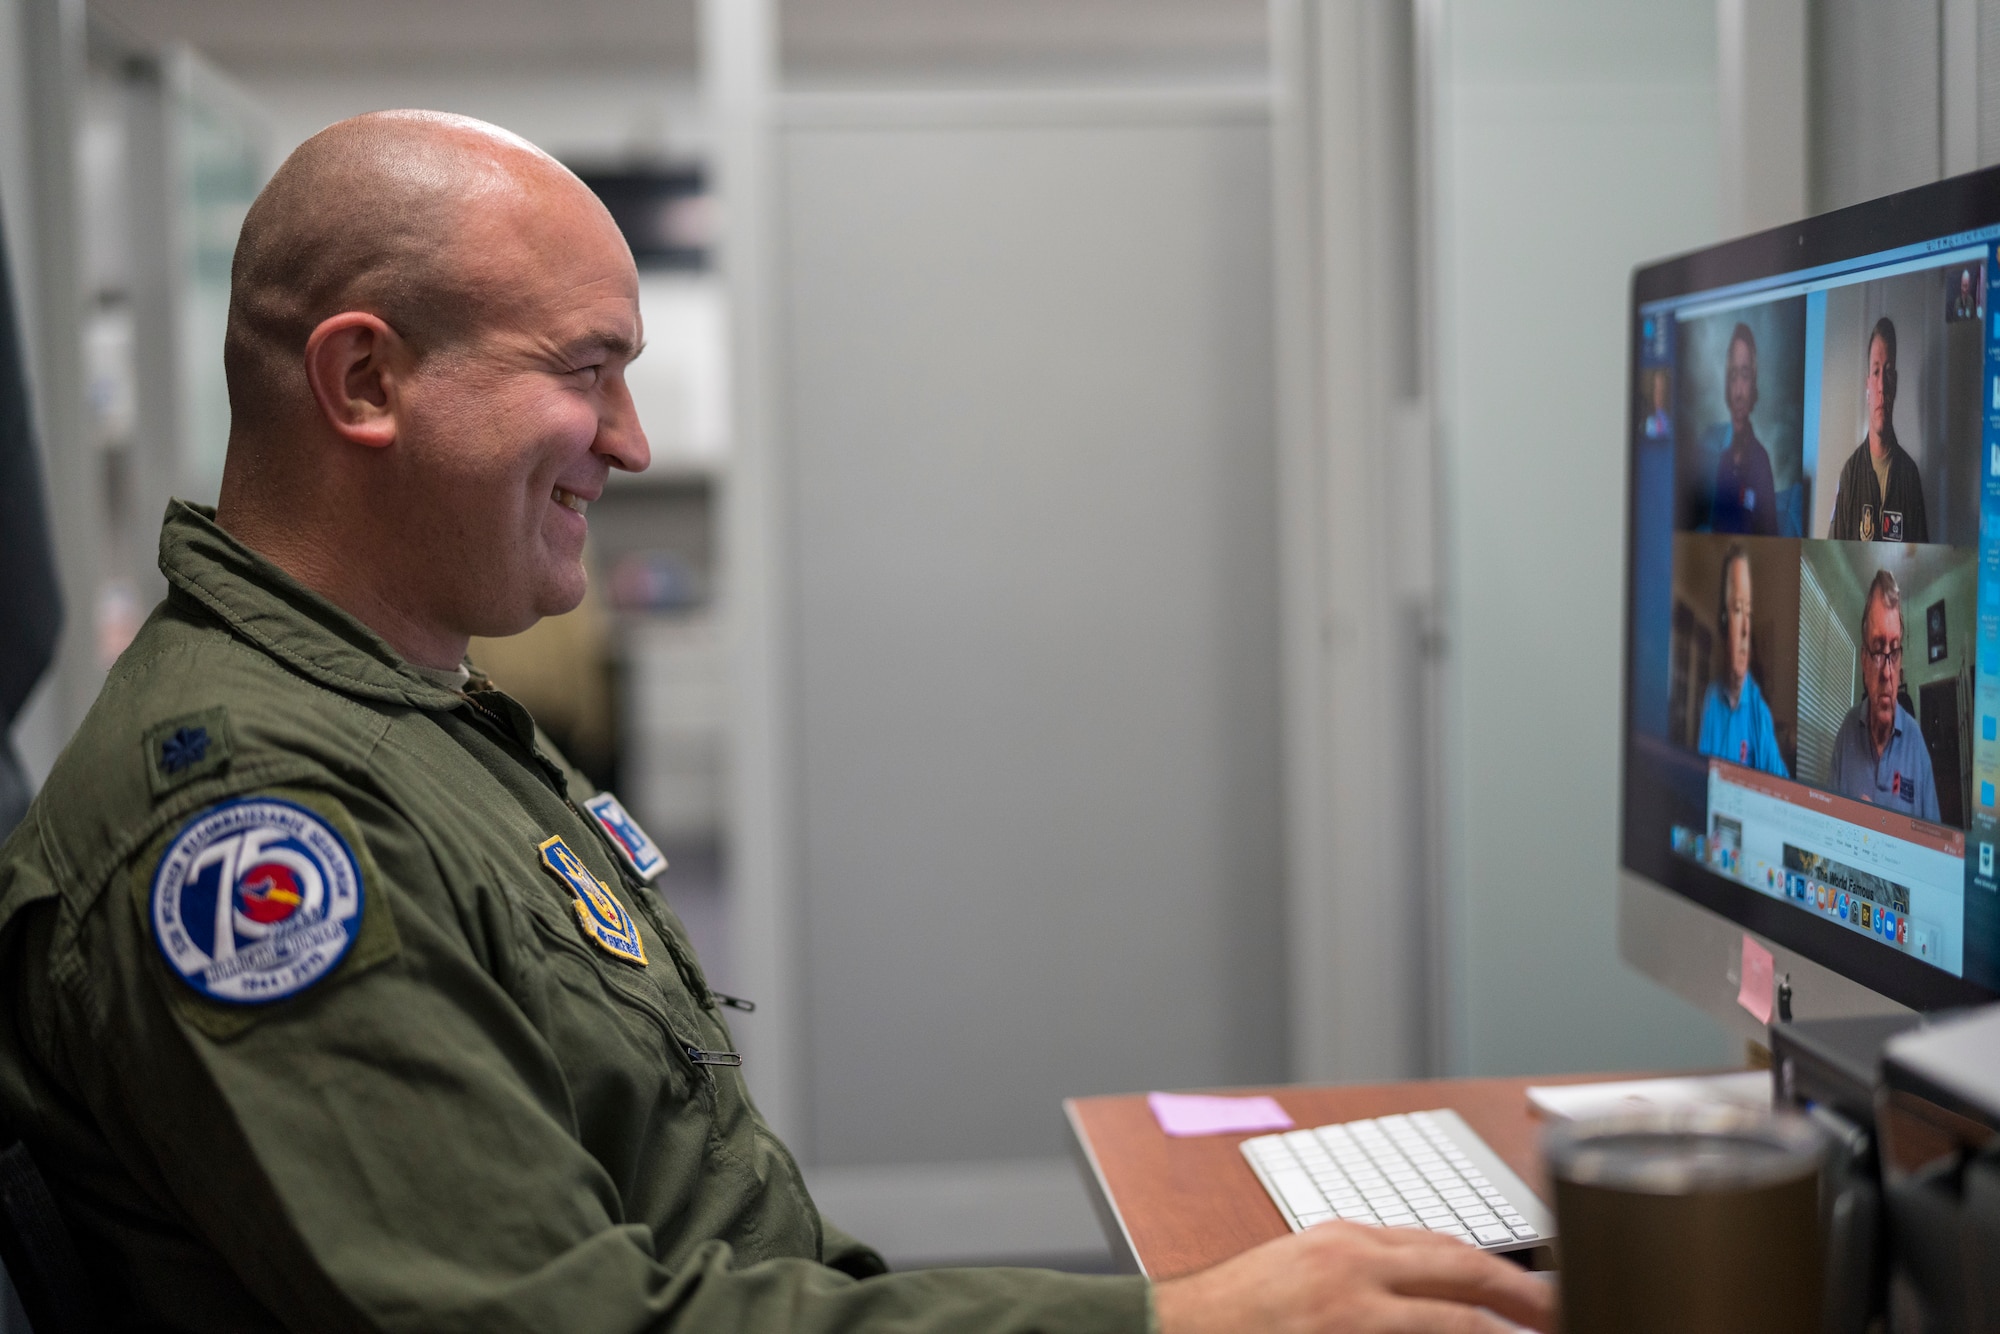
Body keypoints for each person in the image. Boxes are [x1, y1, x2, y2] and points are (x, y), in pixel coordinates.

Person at [0, 113, 1553, 1334]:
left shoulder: (411, 712)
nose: (631, 438)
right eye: (586, 370)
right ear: (365, 380)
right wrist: (1175, 1321)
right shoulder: (258, 822)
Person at [1829, 570, 1940, 821]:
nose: (1888, 672)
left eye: (1895, 651)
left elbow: (1932, 845)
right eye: (1878, 650)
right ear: (1864, 661)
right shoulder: (1846, 732)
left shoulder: (1916, 743)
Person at [1828, 318, 1928, 543]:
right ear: (1867, 385)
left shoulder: (1910, 476)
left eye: (1888, 372)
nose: (1882, 386)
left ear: (1896, 382)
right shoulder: (1849, 475)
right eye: (1875, 372)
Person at [1696, 545, 1789, 776]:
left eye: (1750, 613)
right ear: (1724, 622)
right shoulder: (1708, 700)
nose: (1748, 629)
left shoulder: (1759, 714)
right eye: (1738, 609)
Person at [1706, 324, 1778, 536]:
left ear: (1753, 382)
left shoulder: (1761, 462)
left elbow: (1771, 539)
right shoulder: (1713, 452)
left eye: (1745, 376)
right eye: (1733, 376)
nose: (1738, 391)